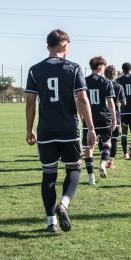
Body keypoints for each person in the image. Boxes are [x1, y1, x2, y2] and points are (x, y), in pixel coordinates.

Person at [25, 29, 96, 233]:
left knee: (48, 174)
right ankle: (63, 204)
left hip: (46, 129)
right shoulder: (73, 68)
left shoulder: (34, 70)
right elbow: (82, 100)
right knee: (73, 168)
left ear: (48, 46)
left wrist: (29, 130)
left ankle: (50, 222)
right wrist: (90, 128)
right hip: (69, 129)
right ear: (64, 45)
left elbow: (30, 103)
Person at [83, 56, 117, 185]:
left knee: (89, 146)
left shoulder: (83, 81)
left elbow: (79, 101)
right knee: (107, 143)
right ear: (101, 67)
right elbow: (110, 103)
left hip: (89, 119)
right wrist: (114, 119)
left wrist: (82, 116)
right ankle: (103, 163)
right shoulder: (107, 82)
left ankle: (91, 176)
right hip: (104, 118)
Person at [104, 65, 126, 169]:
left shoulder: (101, 84)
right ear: (115, 75)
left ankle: (103, 159)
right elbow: (123, 102)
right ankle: (111, 161)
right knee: (114, 139)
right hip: (114, 114)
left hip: (102, 114)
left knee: (103, 138)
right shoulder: (118, 86)